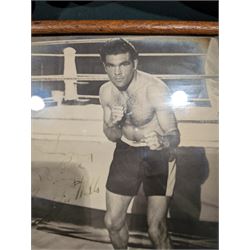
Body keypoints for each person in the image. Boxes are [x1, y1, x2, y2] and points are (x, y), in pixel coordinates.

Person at [99, 38, 180, 249]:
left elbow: (175, 134)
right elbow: (111, 135)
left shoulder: (154, 89)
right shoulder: (106, 92)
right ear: (105, 67)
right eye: (112, 66)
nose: (118, 73)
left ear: (134, 63)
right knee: (112, 222)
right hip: (126, 151)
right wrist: (113, 123)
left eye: (124, 64)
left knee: (156, 229)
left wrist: (163, 140)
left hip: (159, 154)